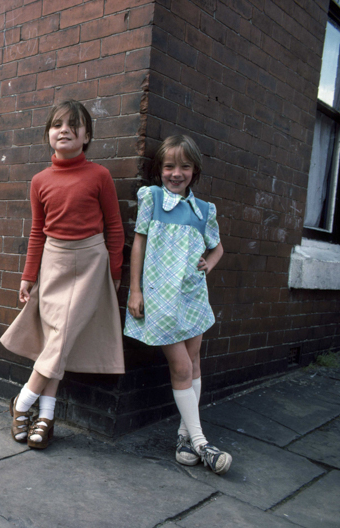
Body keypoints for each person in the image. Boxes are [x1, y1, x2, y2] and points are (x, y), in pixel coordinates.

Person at [0, 100, 125, 449]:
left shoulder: (99, 176)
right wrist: (28, 275)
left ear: (87, 136)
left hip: (90, 264)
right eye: (57, 125)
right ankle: (46, 416)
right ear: (48, 136)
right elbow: (37, 231)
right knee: (58, 339)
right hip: (53, 262)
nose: (65, 130)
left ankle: (23, 402)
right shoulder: (40, 181)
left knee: (62, 334)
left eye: (74, 125)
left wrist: (114, 274)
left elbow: (115, 227)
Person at [124, 135, 230, 475]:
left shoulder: (204, 211)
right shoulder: (151, 198)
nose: (176, 173)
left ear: (194, 170)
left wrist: (208, 264)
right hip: (160, 299)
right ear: (160, 169)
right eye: (169, 166)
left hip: (192, 297)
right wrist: (135, 291)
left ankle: (185, 438)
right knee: (182, 368)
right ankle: (201, 442)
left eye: (184, 166)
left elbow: (217, 248)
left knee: (195, 363)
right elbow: (138, 244)